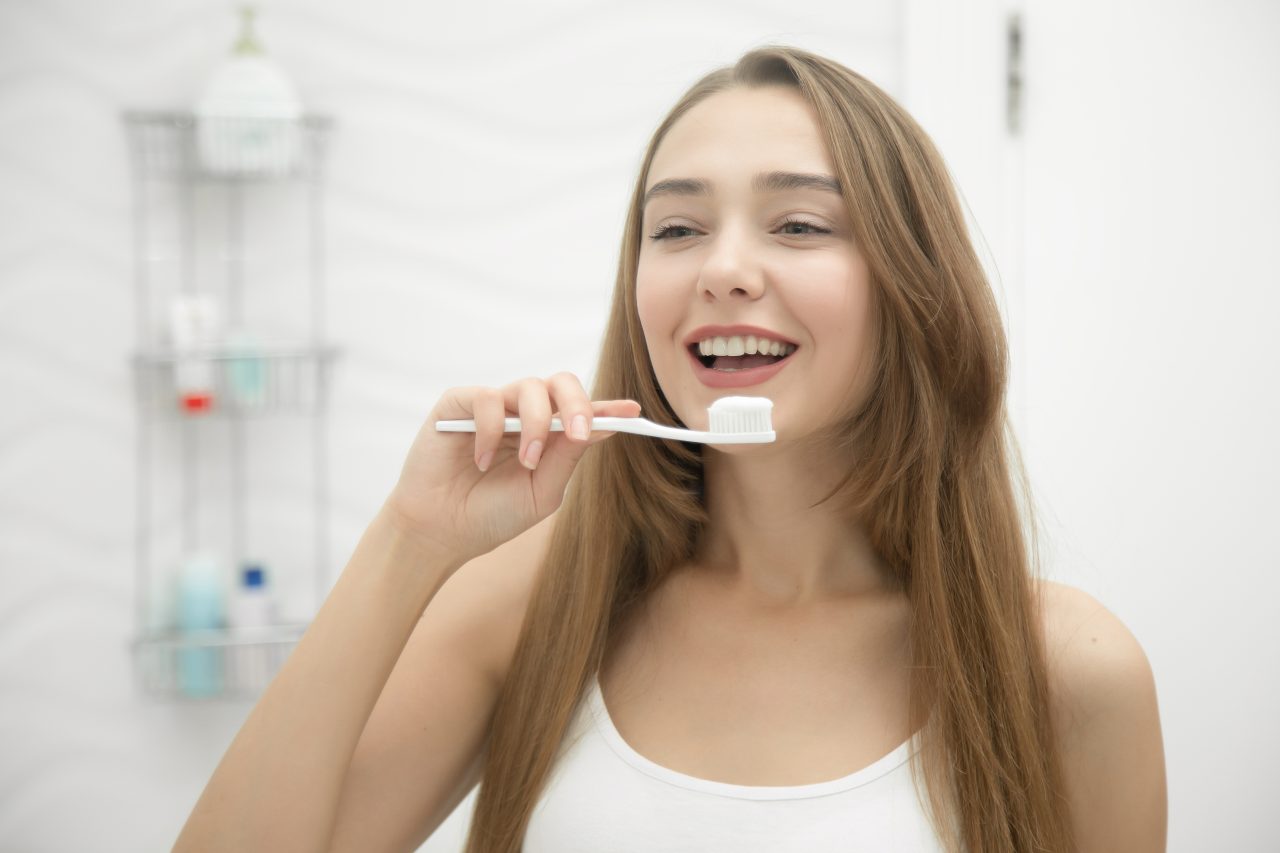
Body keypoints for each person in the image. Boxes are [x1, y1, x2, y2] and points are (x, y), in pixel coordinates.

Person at [174, 45, 1167, 852]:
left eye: (797, 223)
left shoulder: (1065, 668)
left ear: (913, 284)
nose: (723, 268)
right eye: (678, 227)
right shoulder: (531, 607)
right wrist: (411, 538)